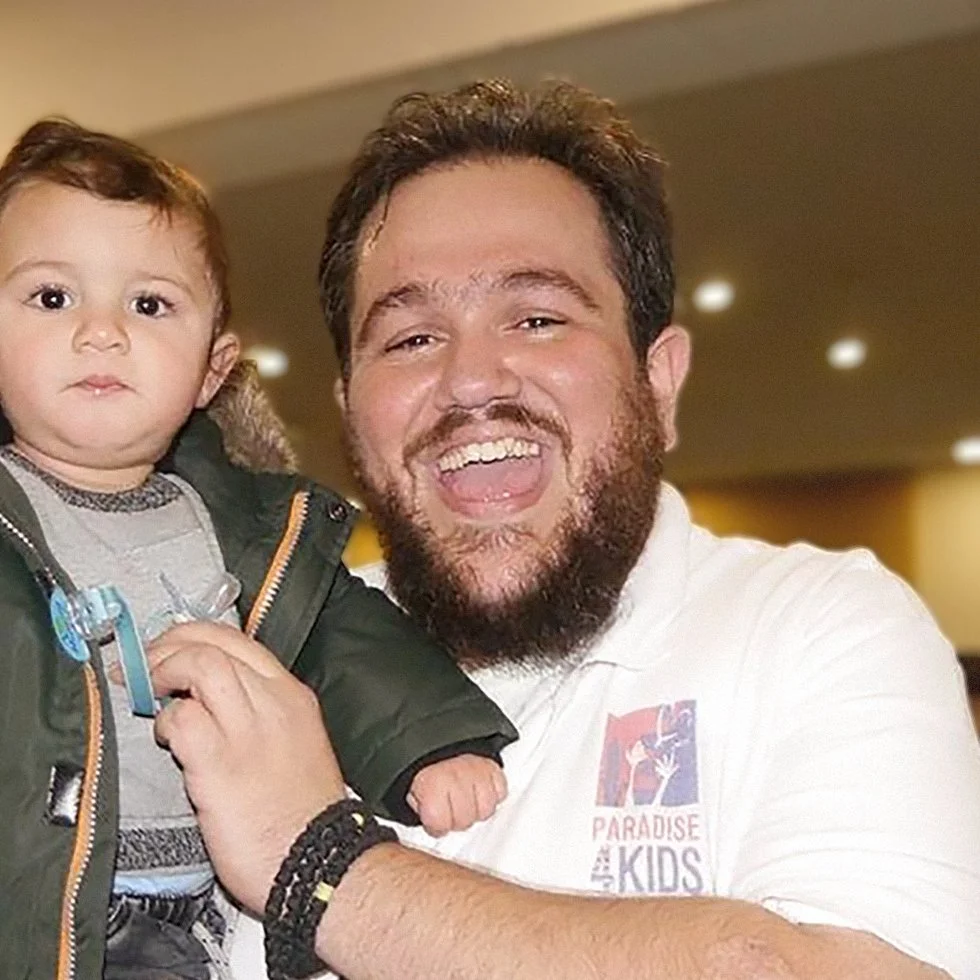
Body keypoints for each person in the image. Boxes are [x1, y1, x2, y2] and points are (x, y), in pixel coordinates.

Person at [150, 80, 980, 980]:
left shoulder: (816, 628)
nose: (471, 380)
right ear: (351, 413)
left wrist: (322, 869)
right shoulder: (265, 656)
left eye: (538, 318)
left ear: (658, 383)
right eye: (411, 338)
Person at [0, 118, 518, 980]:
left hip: (209, 906)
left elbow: (338, 638)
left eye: (150, 304)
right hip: (37, 903)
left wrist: (428, 740)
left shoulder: (248, 531)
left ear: (212, 369)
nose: (102, 332)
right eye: (52, 298)